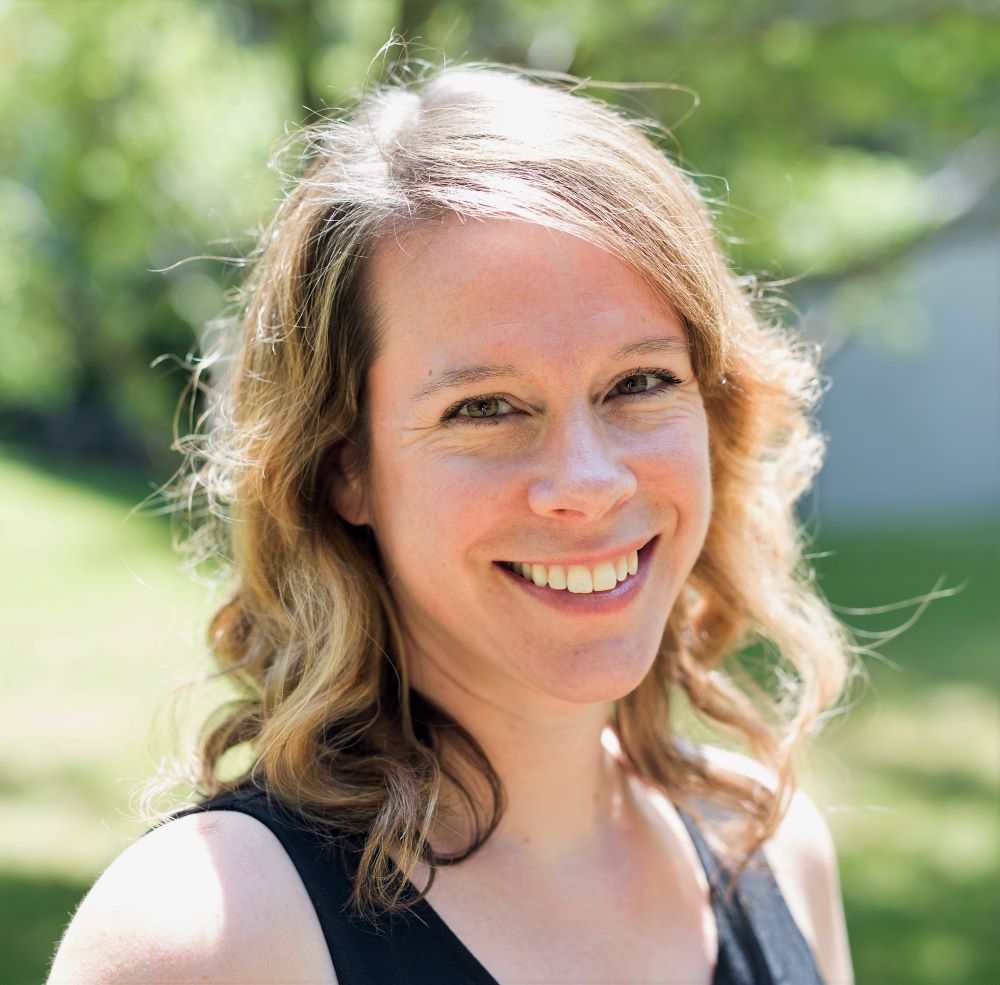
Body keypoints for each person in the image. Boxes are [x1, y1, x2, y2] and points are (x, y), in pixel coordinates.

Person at [48, 58, 855, 985]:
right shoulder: (208, 938)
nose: (589, 482)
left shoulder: (772, 848)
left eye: (639, 382)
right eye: (485, 407)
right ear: (344, 469)